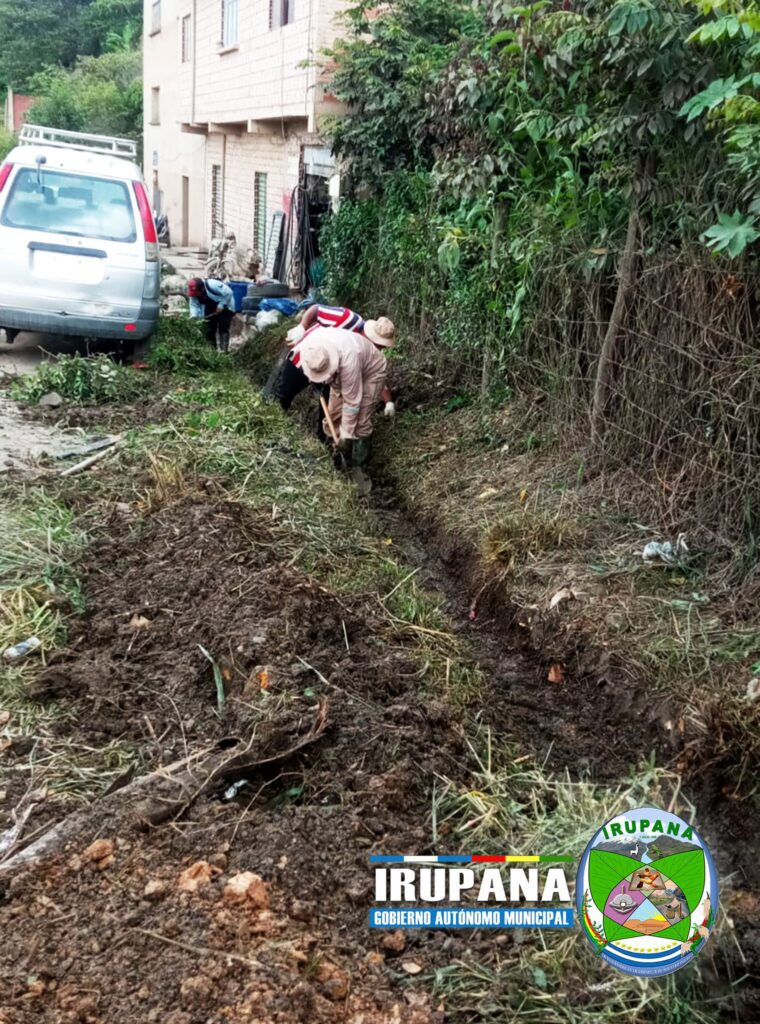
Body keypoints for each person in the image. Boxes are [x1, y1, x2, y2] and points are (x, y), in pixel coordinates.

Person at [273, 304, 396, 415]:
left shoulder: (367, 351)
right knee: (284, 395)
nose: (378, 350)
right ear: (371, 336)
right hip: (306, 357)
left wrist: (389, 402)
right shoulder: (347, 319)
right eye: (378, 345)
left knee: (329, 410)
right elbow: (317, 310)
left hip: (329, 373)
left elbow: (375, 375)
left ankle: (323, 438)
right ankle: (275, 417)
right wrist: (302, 327)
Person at [298, 327, 389, 467]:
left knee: (361, 420)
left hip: (371, 371)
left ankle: (358, 463)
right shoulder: (311, 348)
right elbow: (304, 364)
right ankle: (333, 450)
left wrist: (346, 436)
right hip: (342, 370)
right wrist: (314, 379)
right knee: (333, 414)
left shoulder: (348, 363)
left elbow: (352, 404)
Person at [187, 277, 236, 352]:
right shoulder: (194, 293)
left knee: (223, 328)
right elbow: (193, 305)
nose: (195, 295)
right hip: (210, 307)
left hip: (226, 306)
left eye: (196, 293)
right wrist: (193, 315)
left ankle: (224, 351)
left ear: (202, 289)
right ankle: (212, 352)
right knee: (209, 330)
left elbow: (228, 292)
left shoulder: (212, 285)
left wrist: (221, 305)